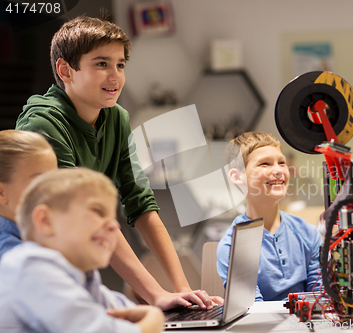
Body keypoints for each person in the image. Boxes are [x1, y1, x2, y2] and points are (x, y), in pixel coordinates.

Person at [16, 16, 222, 308]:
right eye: (101, 64)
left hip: (72, 262)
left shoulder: (116, 118)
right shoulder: (43, 123)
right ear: (65, 70)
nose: (115, 76)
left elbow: (140, 204)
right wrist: (156, 295)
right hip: (27, 265)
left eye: (120, 65)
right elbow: (86, 216)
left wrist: (183, 290)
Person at [0, 168, 164, 332]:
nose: (114, 226)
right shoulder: (31, 267)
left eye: (112, 217)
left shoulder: (83, 277)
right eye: (97, 211)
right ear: (45, 221)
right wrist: (154, 320)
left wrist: (148, 318)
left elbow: (125, 312)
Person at [216, 132, 322, 301]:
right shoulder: (232, 247)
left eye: (282, 163)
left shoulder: (308, 234)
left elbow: (319, 299)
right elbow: (253, 310)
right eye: (264, 164)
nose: (278, 170)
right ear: (237, 176)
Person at [0, 130, 58, 260]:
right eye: (38, 182)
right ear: (1, 192)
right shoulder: (14, 257)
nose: (52, 191)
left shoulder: (41, 232)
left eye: (53, 180)